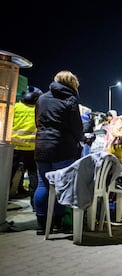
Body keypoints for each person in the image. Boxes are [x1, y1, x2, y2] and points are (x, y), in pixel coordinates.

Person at [33, 70, 83, 235]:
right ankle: (57, 221)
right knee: (60, 186)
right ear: (72, 84)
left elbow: (37, 121)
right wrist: (78, 139)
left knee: (43, 184)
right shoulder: (70, 100)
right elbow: (77, 127)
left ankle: (41, 223)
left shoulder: (41, 98)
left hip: (42, 146)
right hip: (63, 148)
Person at [10, 86, 42, 210]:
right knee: (34, 177)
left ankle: (3, 202)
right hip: (32, 148)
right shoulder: (38, 110)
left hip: (14, 147)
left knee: (8, 177)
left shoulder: (15, 107)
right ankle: (35, 206)